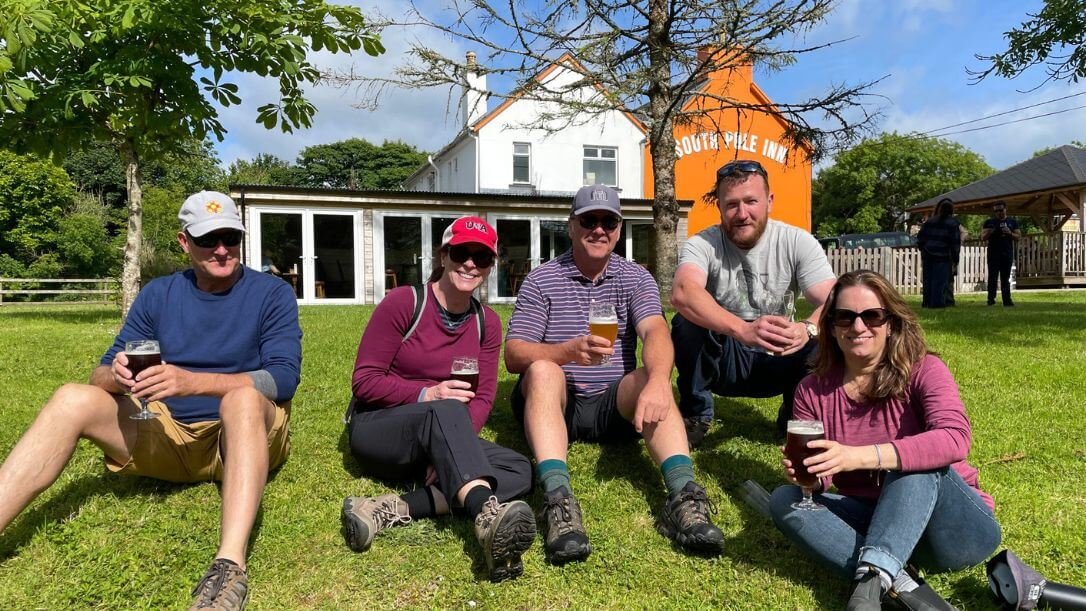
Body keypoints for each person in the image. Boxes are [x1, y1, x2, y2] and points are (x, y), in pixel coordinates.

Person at [0, 190, 302, 610]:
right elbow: (100, 372)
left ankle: (229, 566)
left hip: (241, 439)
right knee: (72, 397)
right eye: (207, 239)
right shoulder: (159, 294)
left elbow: (283, 379)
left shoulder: (271, 293)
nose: (221, 249)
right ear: (184, 242)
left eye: (231, 238)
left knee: (244, 399)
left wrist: (193, 382)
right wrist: (117, 376)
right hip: (167, 434)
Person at [505, 184, 725, 565]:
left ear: (619, 229)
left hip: (613, 403)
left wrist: (658, 383)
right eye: (589, 220)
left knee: (649, 376)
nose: (599, 229)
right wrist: (566, 352)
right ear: (571, 226)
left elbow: (655, 330)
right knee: (542, 369)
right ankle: (558, 500)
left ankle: (683, 496)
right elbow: (514, 354)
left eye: (609, 221)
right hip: (559, 402)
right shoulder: (542, 279)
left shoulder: (635, 277)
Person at [769, 270, 1001, 611]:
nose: (858, 327)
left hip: (953, 530)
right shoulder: (812, 390)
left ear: (890, 322)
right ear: (831, 327)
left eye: (872, 316)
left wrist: (859, 456)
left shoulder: (924, 369)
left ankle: (871, 582)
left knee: (915, 463)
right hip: (878, 517)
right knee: (784, 499)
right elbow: (824, 480)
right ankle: (895, 581)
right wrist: (812, 475)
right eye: (845, 317)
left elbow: (955, 438)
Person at [341, 216, 535, 582]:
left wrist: (449, 448)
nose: (470, 264)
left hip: (439, 437)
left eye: (482, 257)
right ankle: (485, 515)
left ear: (491, 266)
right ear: (444, 255)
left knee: (520, 470)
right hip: (380, 428)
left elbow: (484, 397)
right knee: (444, 407)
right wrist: (425, 394)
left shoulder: (487, 323)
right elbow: (364, 382)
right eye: (462, 252)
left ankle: (386, 508)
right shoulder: (404, 302)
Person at [670, 159, 836, 445]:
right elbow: (683, 291)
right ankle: (696, 413)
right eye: (731, 204)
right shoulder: (703, 243)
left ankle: (798, 411)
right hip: (727, 358)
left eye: (751, 201)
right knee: (686, 321)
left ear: (769, 201)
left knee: (829, 331)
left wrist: (807, 328)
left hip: (783, 353)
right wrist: (742, 330)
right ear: (720, 207)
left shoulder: (797, 241)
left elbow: (836, 298)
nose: (742, 213)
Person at [916, 198, 961, 309]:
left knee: (928, 280)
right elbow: (955, 243)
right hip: (943, 256)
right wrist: (955, 260)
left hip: (928, 254)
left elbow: (920, 238)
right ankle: (937, 304)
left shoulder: (930, 222)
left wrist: (924, 250)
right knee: (940, 281)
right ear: (951, 210)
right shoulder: (953, 223)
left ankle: (926, 303)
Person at [982, 201, 1021, 307]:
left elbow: (1018, 237)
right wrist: (991, 231)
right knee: (992, 278)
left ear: (1005, 209)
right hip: (993, 254)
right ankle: (991, 300)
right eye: (996, 211)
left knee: (1005, 278)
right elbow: (982, 237)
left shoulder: (1012, 222)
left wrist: (1009, 233)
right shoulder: (989, 222)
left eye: (1000, 210)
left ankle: (1007, 300)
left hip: (1006, 253)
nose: (998, 212)